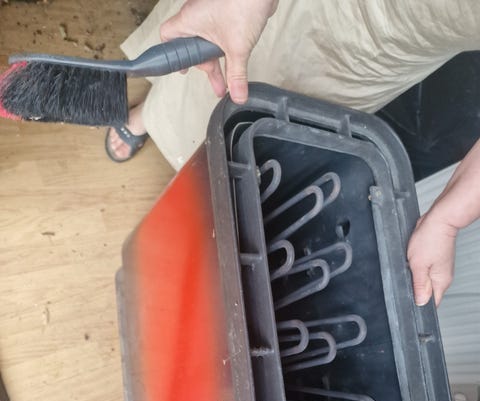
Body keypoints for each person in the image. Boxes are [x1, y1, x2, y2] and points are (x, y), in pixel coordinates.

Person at [106, 0, 480, 308]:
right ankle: (149, 115)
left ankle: (186, 164)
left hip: (386, 56)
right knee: (220, 50)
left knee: (259, 112)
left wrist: (449, 217)